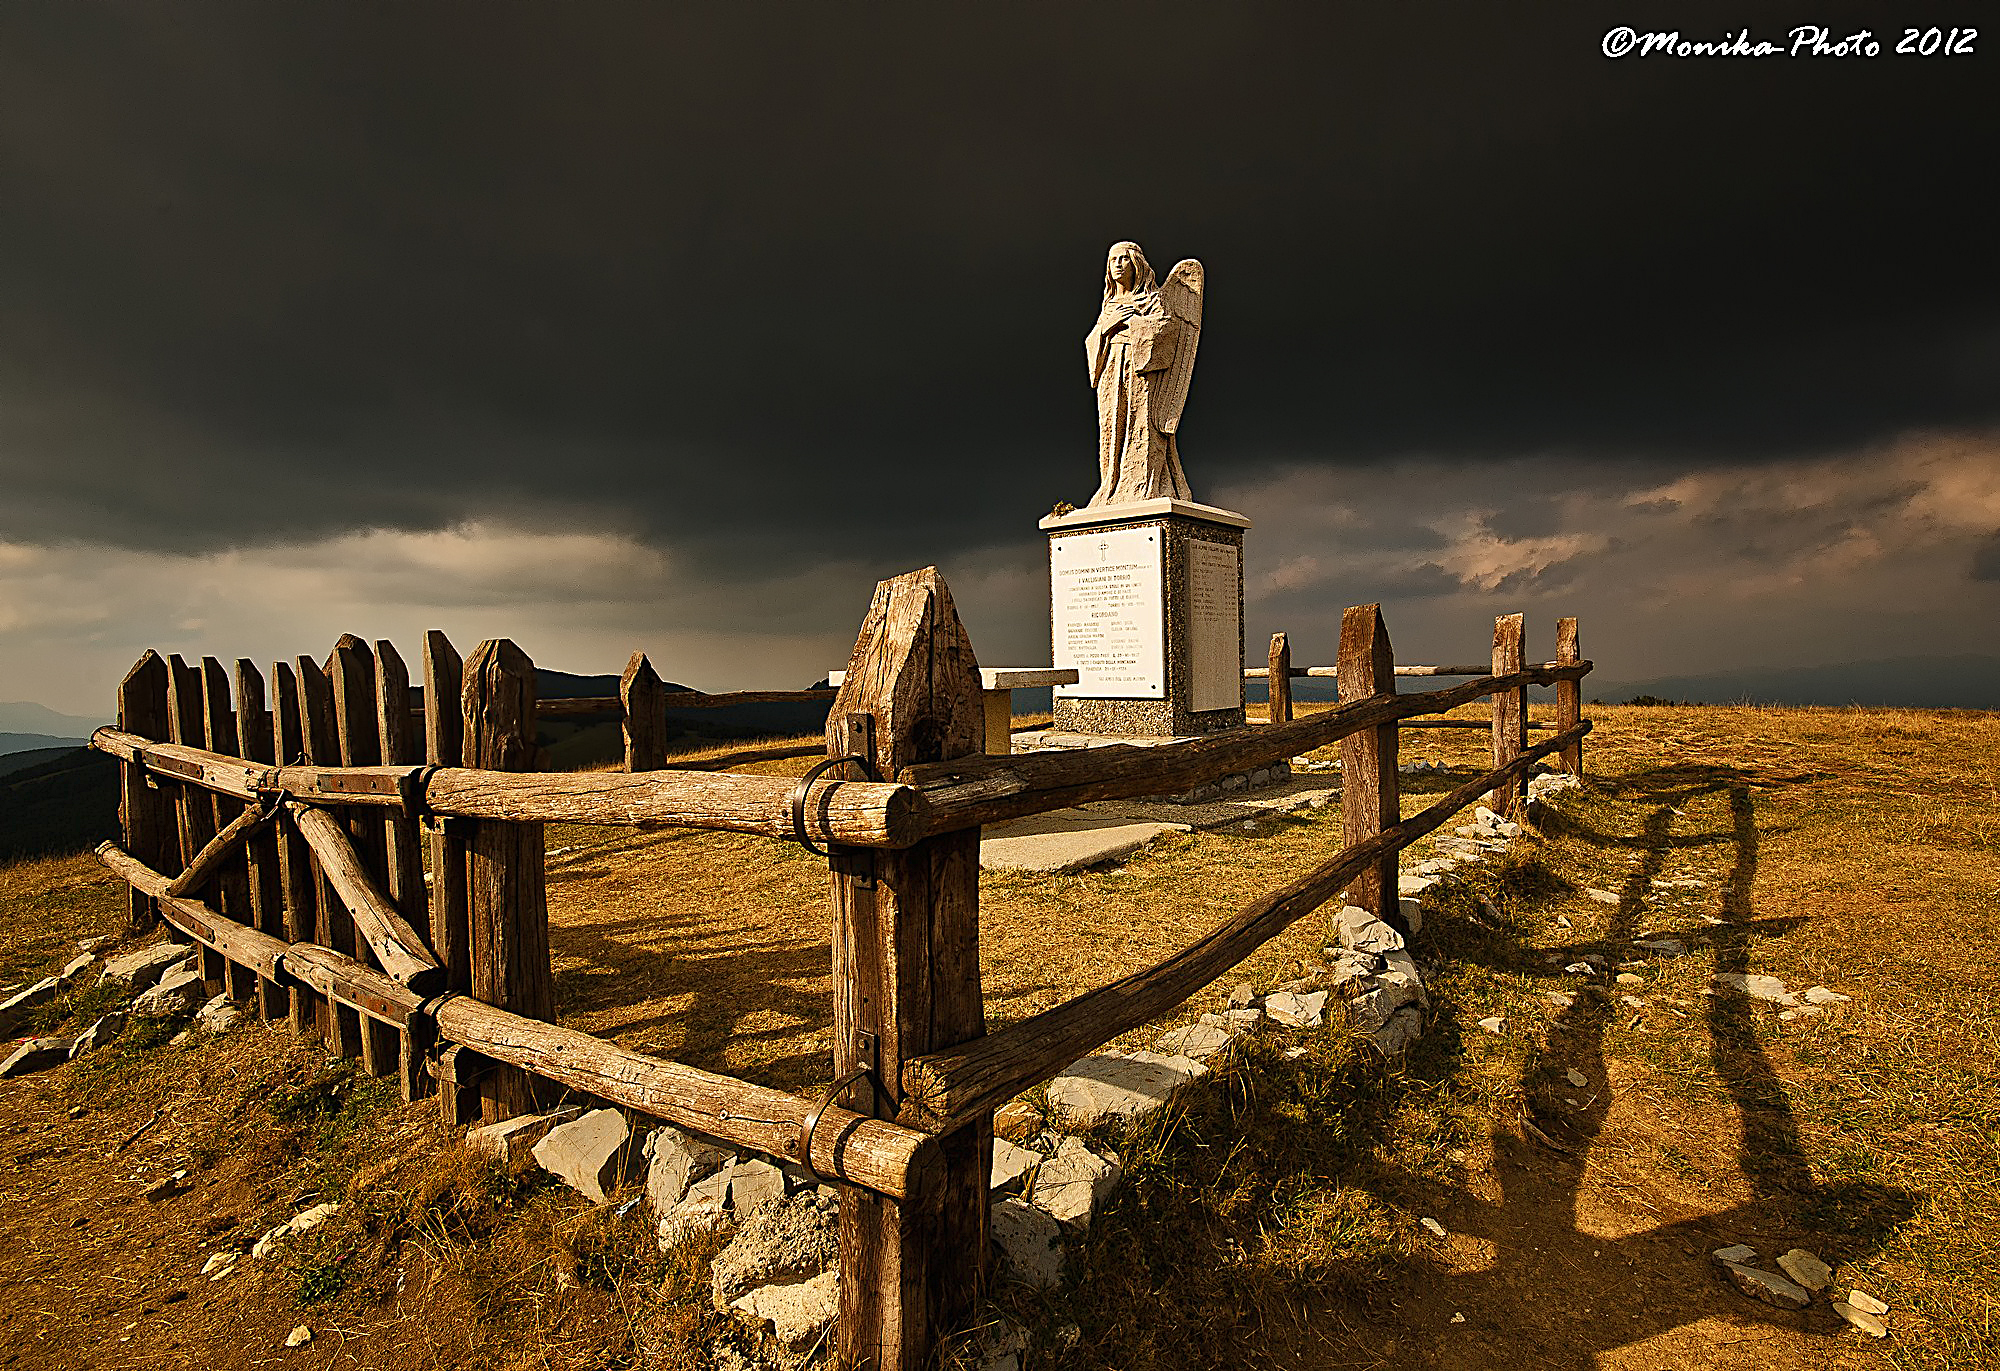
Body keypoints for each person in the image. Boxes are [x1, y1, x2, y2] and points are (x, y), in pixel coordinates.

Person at [1085, 241, 1195, 507]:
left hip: (1140, 370)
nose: (1118, 264)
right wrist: (1107, 326)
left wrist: (1131, 323)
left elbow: (1165, 330)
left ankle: (1143, 484)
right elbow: (1092, 341)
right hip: (1111, 366)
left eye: (1124, 259)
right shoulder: (1109, 304)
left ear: (1136, 264)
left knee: (1141, 423)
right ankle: (1111, 483)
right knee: (1111, 425)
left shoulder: (1151, 298)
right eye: (1113, 260)